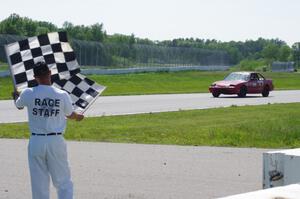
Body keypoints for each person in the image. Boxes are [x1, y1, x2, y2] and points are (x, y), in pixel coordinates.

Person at [13, 61, 84, 199]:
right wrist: (78, 117)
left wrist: (16, 95)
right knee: (62, 180)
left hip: (36, 140)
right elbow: (70, 114)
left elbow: (18, 104)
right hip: (56, 140)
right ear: (50, 73)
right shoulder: (62, 94)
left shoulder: (28, 93)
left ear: (35, 77)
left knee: (39, 182)